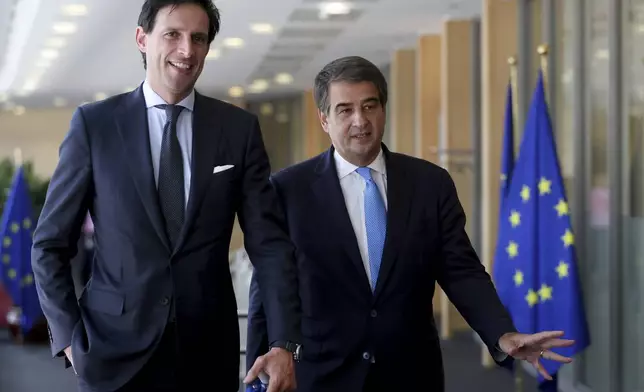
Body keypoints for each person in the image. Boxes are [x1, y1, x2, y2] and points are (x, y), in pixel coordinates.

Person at [244, 56, 574, 392]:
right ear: (324, 119)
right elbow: (269, 286)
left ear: (383, 110)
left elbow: (460, 270)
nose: (360, 120)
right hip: (322, 374)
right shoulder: (286, 190)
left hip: (411, 373)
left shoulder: (430, 184)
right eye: (345, 110)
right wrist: (260, 368)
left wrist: (502, 333)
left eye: (369, 106)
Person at [31, 1, 301, 391]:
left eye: (198, 38)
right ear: (143, 39)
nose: (186, 50)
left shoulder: (237, 130)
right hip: (112, 353)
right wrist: (71, 341)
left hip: (206, 351)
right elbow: (49, 244)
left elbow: (271, 246)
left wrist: (283, 342)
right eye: (172, 34)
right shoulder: (96, 125)